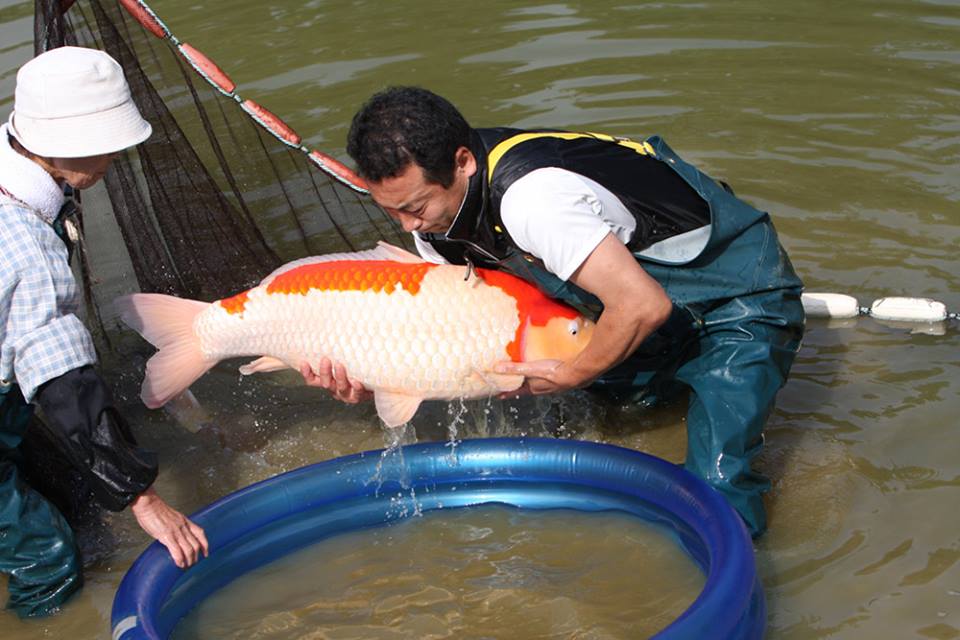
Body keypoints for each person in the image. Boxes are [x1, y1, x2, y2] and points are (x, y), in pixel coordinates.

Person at [302, 85, 804, 538]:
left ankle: (742, 575)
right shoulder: (433, 217)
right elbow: (450, 324)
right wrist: (376, 372)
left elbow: (641, 304)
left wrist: (570, 374)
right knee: (618, 421)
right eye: (391, 211)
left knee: (716, 484)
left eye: (416, 206)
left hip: (734, 298)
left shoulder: (533, 200)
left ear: (463, 162)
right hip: (623, 302)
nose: (410, 225)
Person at [0, 46, 207, 618]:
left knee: (76, 504)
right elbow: (64, 382)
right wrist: (143, 498)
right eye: (110, 144)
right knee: (47, 555)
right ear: (68, 144)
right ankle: (46, 620)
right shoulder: (24, 245)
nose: (116, 157)